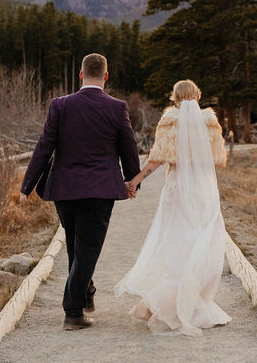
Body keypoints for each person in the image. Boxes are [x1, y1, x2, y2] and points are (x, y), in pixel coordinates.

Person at [20, 53, 141, 330]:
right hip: (99, 191)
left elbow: (44, 147)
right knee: (87, 249)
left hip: (64, 189)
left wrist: (27, 186)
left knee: (76, 245)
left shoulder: (60, 105)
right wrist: (132, 181)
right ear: (106, 77)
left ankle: (86, 295)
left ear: (80, 75)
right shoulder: (116, 107)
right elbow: (129, 147)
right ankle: (73, 312)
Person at [115, 79, 231, 335]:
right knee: (201, 242)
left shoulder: (170, 121)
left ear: (175, 99)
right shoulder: (209, 122)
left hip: (178, 189)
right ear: (198, 97)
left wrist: (134, 181)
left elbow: (156, 159)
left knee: (176, 243)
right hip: (203, 190)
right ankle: (194, 301)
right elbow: (217, 159)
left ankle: (169, 301)